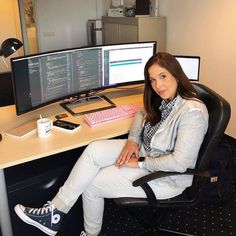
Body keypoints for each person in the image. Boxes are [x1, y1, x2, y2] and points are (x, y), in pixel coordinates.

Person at [14, 52, 209, 236]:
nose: (158, 85)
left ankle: (90, 234)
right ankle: (54, 212)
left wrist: (140, 162)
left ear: (176, 74)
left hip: (165, 176)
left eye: (163, 76)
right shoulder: (167, 98)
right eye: (153, 80)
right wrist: (132, 141)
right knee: (93, 150)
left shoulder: (192, 112)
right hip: (145, 150)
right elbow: (142, 113)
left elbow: (179, 163)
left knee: (92, 184)